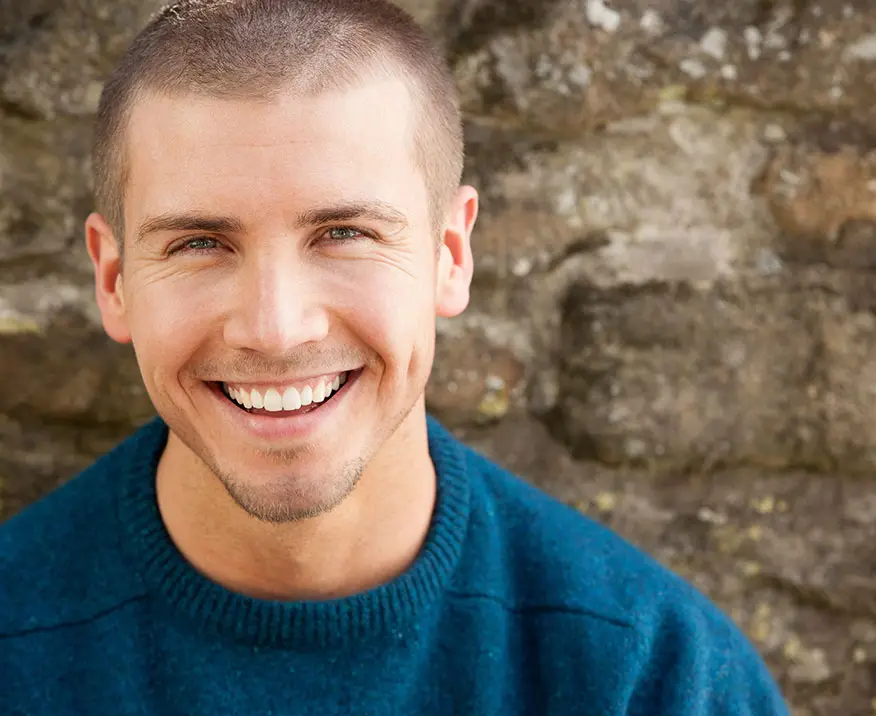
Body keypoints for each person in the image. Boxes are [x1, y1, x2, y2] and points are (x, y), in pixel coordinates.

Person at [0, 0, 790, 713]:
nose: (277, 329)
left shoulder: (653, 676)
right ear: (114, 280)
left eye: (344, 235)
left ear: (451, 253)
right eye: (200, 243)